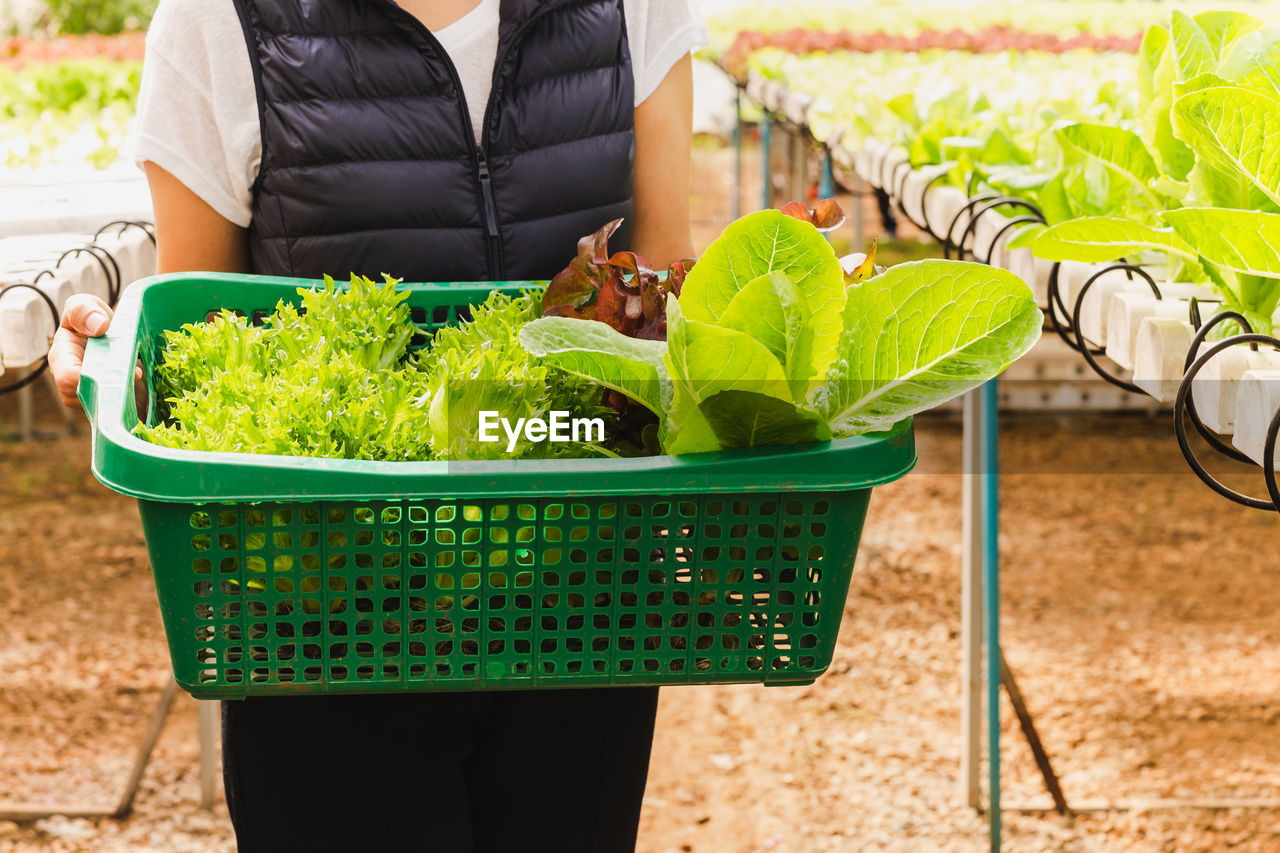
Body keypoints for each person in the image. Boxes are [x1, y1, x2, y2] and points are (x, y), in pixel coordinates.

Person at [48, 1, 708, 849]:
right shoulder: (220, 18)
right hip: (325, 621)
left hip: (578, 597)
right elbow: (201, 336)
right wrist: (118, 356)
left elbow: (659, 276)